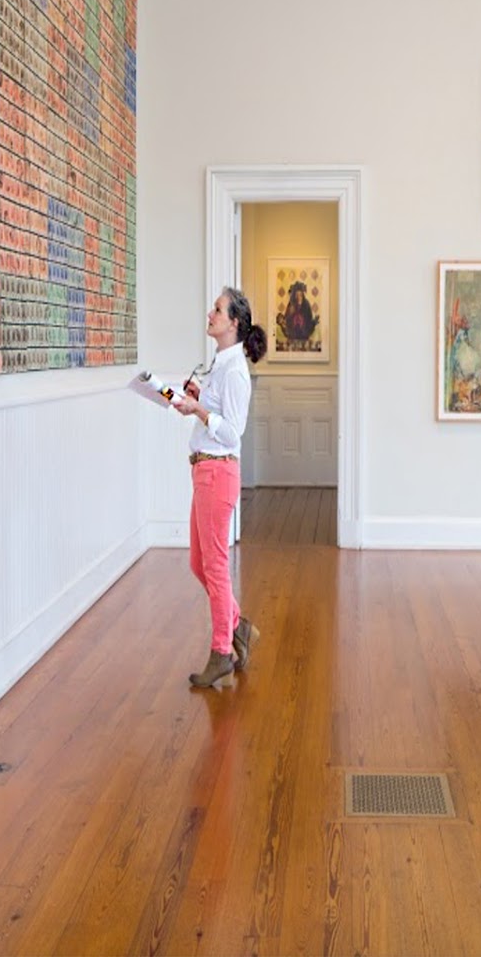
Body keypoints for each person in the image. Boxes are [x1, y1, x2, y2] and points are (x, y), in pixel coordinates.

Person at [174, 287, 267, 688]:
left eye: (217, 310)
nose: (210, 314)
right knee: (199, 564)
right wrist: (199, 400)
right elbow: (218, 415)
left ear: (234, 323)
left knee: (214, 566)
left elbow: (232, 433)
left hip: (217, 473)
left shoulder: (235, 371)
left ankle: (221, 652)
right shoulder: (220, 365)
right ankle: (238, 627)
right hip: (204, 472)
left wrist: (198, 409)